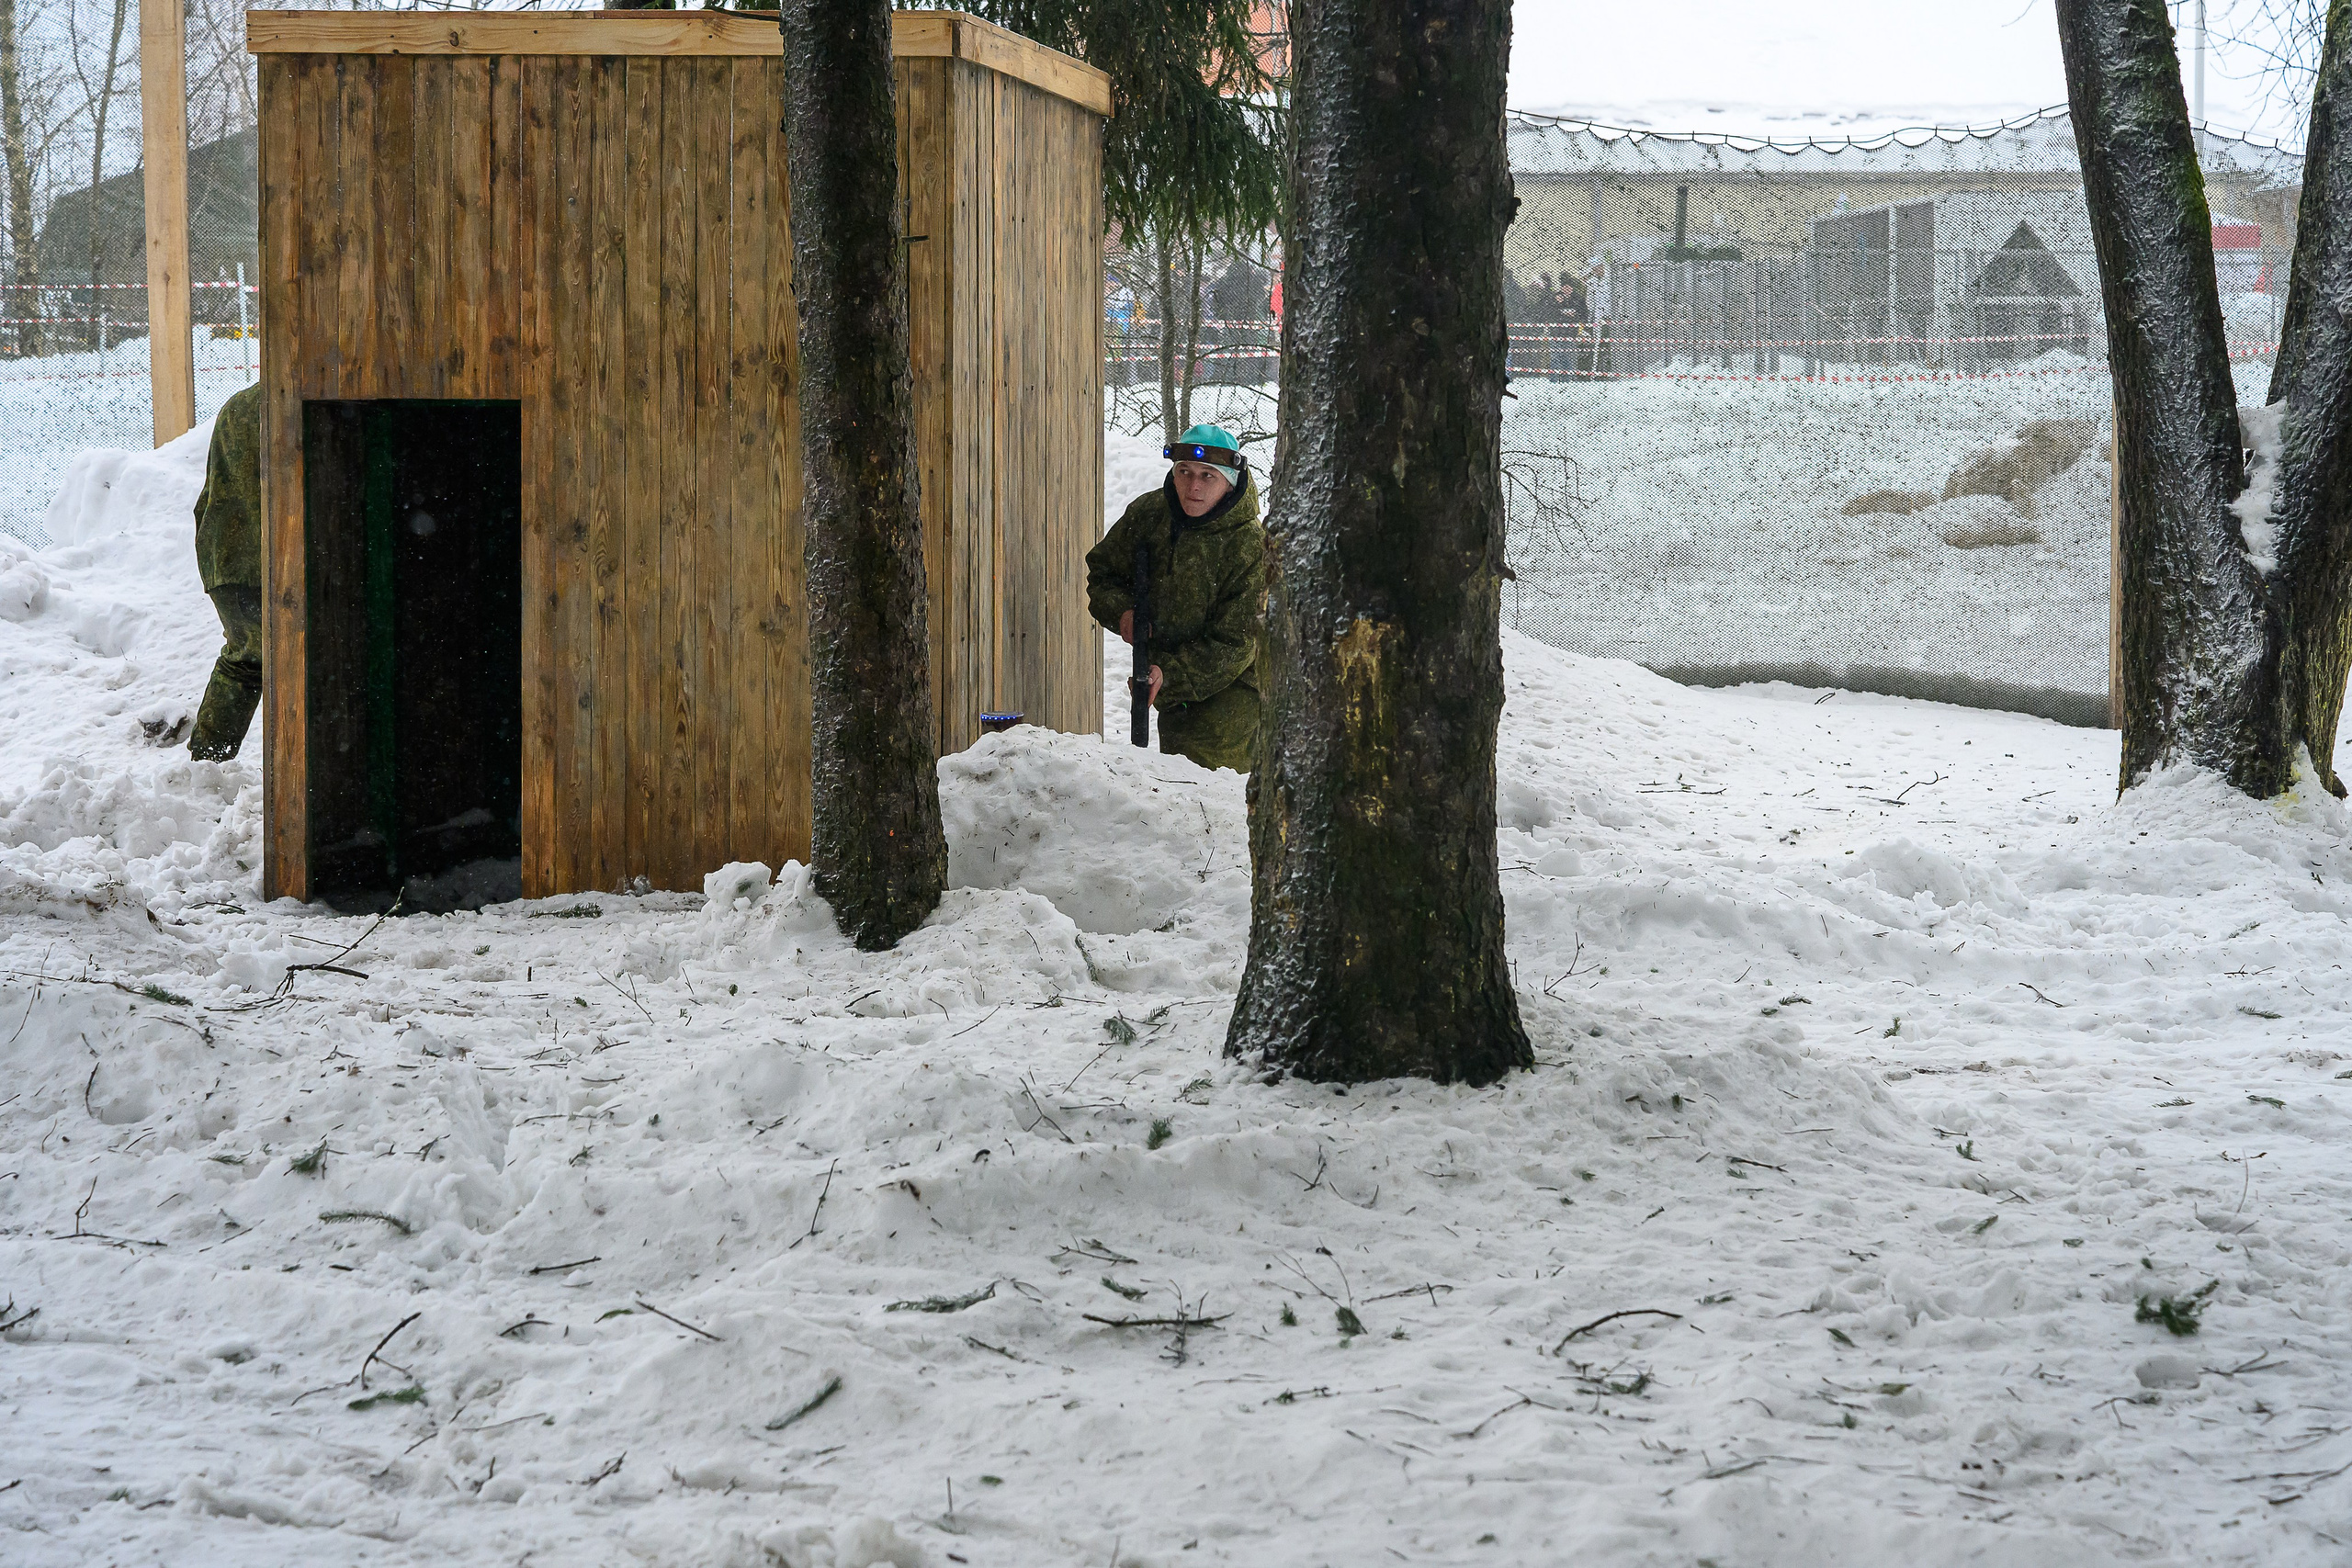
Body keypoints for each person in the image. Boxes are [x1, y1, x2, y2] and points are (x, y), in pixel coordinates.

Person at [1085, 423, 1266, 773]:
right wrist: (1122, 613)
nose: (1193, 486)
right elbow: (1104, 572)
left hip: (1232, 701)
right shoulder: (1150, 515)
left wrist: (1169, 675)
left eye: (1208, 476)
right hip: (1169, 693)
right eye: (1184, 472)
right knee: (1174, 790)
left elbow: (1237, 643)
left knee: (1208, 797)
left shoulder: (1249, 547)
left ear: (1229, 482)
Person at [188, 383, 266, 761]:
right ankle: (208, 761)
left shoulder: (238, 405)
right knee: (253, 660)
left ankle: (207, 762)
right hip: (262, 562)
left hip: (225, 556)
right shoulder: (292, 402)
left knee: (246, 661)